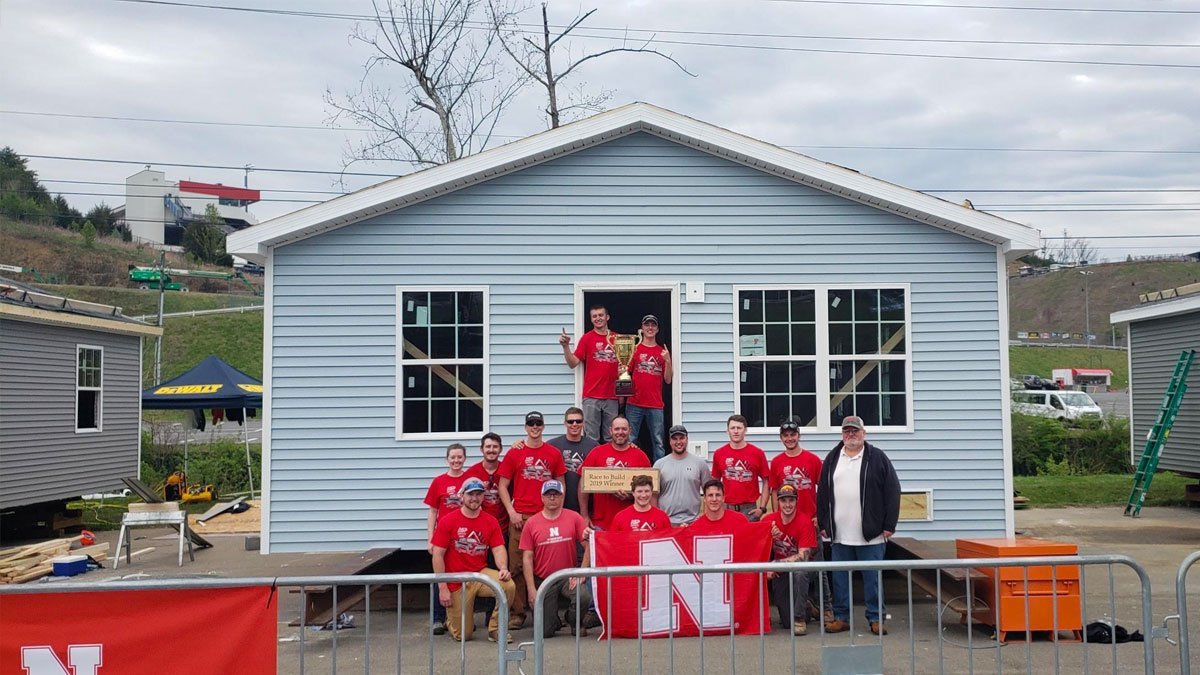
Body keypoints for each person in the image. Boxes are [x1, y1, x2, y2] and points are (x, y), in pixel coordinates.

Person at [817, 415, 901, 637]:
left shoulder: (878, 458)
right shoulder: (833, 457)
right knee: (840, 579)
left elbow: (892, 491)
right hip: (839, 534)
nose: (851, 434)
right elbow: (823, 493)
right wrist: (824, 522)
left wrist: (889, 524)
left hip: (870, 534)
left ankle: (876, 618)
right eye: (847, 431)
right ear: (842, 434)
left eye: (855, 430)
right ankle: (841, 618)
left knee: (873, 579)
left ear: (864, 433)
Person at [497, 411, 567, 629]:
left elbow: (561, 484)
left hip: (544, 516)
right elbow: (502, 486)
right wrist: (511, 511)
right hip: (521, 517)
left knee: (545, 564)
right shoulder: (514, 453)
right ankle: (518, 613)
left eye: (538, 423)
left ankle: (548, 611)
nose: (535, 427)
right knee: (517, 565)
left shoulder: (553, 453)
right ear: (525, 427)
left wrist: (557, 515)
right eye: (531, 424)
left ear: (543, 427)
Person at [430, 477, 516, 643]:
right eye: (470, 494)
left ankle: (496, 629)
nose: (474, 498)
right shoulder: (448, 521)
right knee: (463, 635)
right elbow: (438, 555)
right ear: (462, 495)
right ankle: (452, 620)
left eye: (478, 494)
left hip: (479, 574)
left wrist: (503, 567)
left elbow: (498, 549)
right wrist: (442, 587)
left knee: (508, 585)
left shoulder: (490, 521)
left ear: (483, 496)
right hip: (456, 580)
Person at [768, 418, 832, 624]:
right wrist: (776, 518)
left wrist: (820, 517)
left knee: (818, 569)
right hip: (787, 525)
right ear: (781, 438)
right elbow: (774, 491)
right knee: (795, 574)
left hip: (809, 524)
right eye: (785, 435)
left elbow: (823, 491)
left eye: (793, 435)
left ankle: (826, 608)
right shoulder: (777, 462)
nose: (789, 438)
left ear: (799, 436)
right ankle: (804, 607)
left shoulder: (812, 460)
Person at [519, 480, 594, 638]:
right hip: (543, 578)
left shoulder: (574, 517)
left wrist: (582, 573)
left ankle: (574, 620)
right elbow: (527, 558)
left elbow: (588, 545)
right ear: (542, 498)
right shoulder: (531, 523)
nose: (552, 498)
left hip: (568, 576)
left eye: (556, 494)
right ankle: (553, 620)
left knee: (583, 596)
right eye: (548, 495)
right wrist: (531, 589)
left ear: (562, 497)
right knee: (545, 632)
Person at [424, 442, 470, 634]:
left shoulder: (469, 480)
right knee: (440, 576)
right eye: (453, 457)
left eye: (459, 457)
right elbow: (433, 511)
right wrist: (430, 538)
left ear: (464, 458)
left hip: (464, 535)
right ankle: (438, 618)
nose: (456, 460)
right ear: (447, 459)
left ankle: (465, 615)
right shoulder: (439, 481)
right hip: (444, 536)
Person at [763, 485, 820, 635]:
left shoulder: (805, 522)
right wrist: (769, 538)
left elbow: (804, 557)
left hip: (804, 569)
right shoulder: (768, 521)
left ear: (796, 501)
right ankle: (807, 606)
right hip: (780, 572)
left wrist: (776, 565)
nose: (787, 505)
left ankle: (800, 617)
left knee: (800, 573)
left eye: (791, 500)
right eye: (783, 501)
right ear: (778, 502)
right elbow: (757, 549)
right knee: (787, 623)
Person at [578, 416, 652, 531]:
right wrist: (584, 515)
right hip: (601, 523)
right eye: (617, 429)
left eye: (624, 429)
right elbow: (583, 484)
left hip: (631, 523)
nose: (620, 432)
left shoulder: (640, 456)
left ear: (630, 431)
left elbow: (650, 489)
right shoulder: (597, 452)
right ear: (610, 430)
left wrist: (631, 496)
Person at [559, 304, 619, 442]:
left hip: (612, 396)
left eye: (601, 315)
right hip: (591, 396)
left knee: (612, 437)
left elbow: (626, 365)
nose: (598, 318)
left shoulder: (618, 339)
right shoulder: (587, 339)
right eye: (594, 316)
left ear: (607, 317)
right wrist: (566, 346)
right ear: (591, 319)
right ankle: (593, 463)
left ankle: (610, 464)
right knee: (591, 437)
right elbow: (573, 362)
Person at [624, 314, 672, 462]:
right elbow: (625, 373)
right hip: (634, 403)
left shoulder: (662, 352)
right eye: (647, 325)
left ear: (657, 329)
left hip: (655, 404)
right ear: (642, 329)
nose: (650, 328)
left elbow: (668, 380)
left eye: (653, 325)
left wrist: (668, 361)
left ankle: (660, 472)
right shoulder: (635, 349)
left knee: (658, 442)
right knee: (630, 439)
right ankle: (630, 468)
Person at [711, 415, 770, 521]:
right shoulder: (719, 454)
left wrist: (762, 508)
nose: (736, 431)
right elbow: (714, 483)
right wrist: (715, 506)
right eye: (732, 428)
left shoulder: (757, 453)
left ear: (745, 430)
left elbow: (766, 480)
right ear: (727, 430)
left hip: (749, 510)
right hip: (726, 508)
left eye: (739, 428)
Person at [546, 407, 598, 514]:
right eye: (570, 421)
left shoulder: (594, 446)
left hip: (586, 508)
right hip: (559, 505)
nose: (574, 424)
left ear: (583, 423)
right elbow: (535, 450)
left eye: (578, 421)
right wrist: (519, 444)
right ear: (565, 423)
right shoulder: (552, 445)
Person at [653, 425, 709, 526]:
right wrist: (656, 520)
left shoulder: (700, 464)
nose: (678, 442)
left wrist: (705, 517)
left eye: (682, 438)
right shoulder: (659, 464)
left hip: (693, 522)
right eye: (675, 439)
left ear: (687, 439)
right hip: (667, 522)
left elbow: (709, 492)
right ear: (670, 441)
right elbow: (653, 496)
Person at [467, 433, 509, 533]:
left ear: (501, 449)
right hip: (479, 527)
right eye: (488, 446)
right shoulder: (472, 473)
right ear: (481, 449)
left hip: (504, 527)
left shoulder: (507, 470)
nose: (491, 450)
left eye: (495, 447)